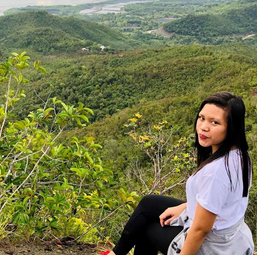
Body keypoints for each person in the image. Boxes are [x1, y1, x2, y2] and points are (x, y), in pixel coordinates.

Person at [103, 92, 254, 255]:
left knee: (147, 229)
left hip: (212, 247)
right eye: (202, 118)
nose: (203, 127)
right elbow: (224, 203)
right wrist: (186, 207)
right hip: (232, 237)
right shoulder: (241, 155)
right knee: (149, 203)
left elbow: (200, 230)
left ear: (231, 127)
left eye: (215, 122)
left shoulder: (215, 172)